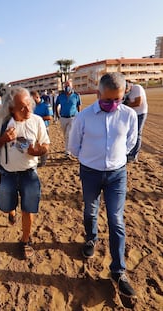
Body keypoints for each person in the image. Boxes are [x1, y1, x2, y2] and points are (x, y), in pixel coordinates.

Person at [68, 72, 138, 298]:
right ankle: (91, 238)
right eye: (108, 100)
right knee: (90, 209)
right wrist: (91, 159)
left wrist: (114, 160)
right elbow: (73, 147)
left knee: (116, 219)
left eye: (118, 99)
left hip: (117, 174)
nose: (113, 104)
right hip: (89, 172)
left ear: (123, 94)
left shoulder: (129, 115)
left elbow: (130, 143)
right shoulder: (84, 117)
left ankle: (118, 271)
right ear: (98, 94)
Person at [0, 86, 50, 259]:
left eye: (29, 104)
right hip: (7, 173)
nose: (28, 109)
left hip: (29, 173)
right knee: (7, 205)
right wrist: (3, 139)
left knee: (28, 209)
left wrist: (37, 151)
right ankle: (11, 211)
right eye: (22, 106)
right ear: (11, 108)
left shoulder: (37, 121)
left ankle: (25, 240)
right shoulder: (2, 121)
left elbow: (45, 144)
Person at [55, 80, 81, 158]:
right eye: (66, 85)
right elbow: (56, 105)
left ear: (72, 86)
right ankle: (68, 148)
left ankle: (68, 151)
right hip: (63, 118)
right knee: (65, 134)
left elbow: (79, 105)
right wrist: (57, 115)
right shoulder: (60, 96)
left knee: (68, 135)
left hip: (73, 118)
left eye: (68, 85)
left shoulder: (76, 95)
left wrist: (78, 115)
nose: (67, 87)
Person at [123, 80, 148, 162]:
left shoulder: (137, 88)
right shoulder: (126, 92)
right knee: (129, 133)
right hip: (133, 113)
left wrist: (126, 105)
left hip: (140, 113)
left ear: (129, 86)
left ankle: (133, 156)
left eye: (126, 89)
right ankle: (128, 152)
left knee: (137, 133)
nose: (125, 91)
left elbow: (138, 103)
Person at [31, 90, 53, 166]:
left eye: (33, 99)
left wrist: (38, 119)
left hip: (44, 128)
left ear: (37, 97)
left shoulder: (46, 105)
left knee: (44, 144)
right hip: (34, 129)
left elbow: (50, 117)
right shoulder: (32, 106)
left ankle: (43, 161)